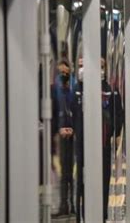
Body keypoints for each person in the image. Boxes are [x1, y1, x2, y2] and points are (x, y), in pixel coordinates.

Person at [73, 57, 124, 222]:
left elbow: (119, 116)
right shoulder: (78, 90)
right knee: (83, 182)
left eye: (101, 66)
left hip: (103, 145)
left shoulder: (111, 92)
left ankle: (101, 216)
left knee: (103, 182)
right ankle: (84, 215)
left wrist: (114, 135)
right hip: (82, 145)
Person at [51, 60, 76, 217]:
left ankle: (73, 204)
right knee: (63, 172)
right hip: (61, 134)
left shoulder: (75, 87)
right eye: (61, 72)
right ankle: (63, 204)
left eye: (66, 72)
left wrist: (74, 128)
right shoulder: (54, 89)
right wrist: (58, 130)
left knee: (72, 171)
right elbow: (53, 110)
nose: (63, 75)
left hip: (74, 134)